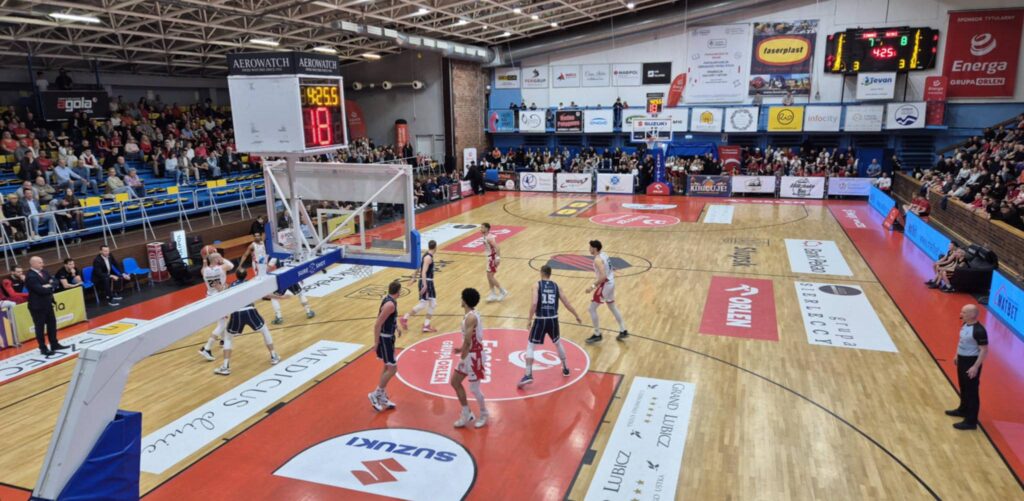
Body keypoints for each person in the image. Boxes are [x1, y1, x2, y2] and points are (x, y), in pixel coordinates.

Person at [518, 265, 582, 388]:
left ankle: (528, 374)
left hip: (540, 320)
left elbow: (534, 303)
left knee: (531, 346)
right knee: (557, 342)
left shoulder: (536, 285)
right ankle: (565, 368)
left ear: (541, 273)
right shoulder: (556, 286)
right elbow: (566, 302)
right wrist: (576, 315)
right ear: (550, 274)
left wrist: (529, 319)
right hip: (553, 319)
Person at [212, 268, 281, 376]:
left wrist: (217, 286)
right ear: (246, 275)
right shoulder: (250, 284)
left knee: (228, 337)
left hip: (236, 313)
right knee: (265, 331)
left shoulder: (231, 285)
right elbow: (266, 295)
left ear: (236, 276)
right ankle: (273, 356)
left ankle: (225, 367)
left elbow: (223, 292)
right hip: (250, 311)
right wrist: (281, 297)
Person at [945, 304, 988, 430]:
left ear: (972, 315)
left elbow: (984, 350)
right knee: (963, 387)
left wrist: (975, 367)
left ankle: (971, 421)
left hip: (971, 362)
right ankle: (963, 409)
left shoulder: (979, 331)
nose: (961, 314)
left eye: (963, 312)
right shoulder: (965, 325)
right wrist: (957, 355)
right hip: (962, 360)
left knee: (972, 392)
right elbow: (962, 341)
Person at [452, 287, 488, 428]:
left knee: (474, 389)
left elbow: (468, 340)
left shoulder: (471, 317)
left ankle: (484, 414)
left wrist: (463, 354)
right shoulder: (470, 315)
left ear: (465, 301)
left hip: (475, 356)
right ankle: (466, 412)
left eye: (462, 297)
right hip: (469, 353)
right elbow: (469, 339)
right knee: (455, 382)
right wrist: (462, 349)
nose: (460, 300)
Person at [369, 280, 404, 412]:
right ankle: (376, 394)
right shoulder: (390, 304)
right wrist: (376, 343)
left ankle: (381, 395)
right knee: (393, 369)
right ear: (398, 291)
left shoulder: (390, 300)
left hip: (389, 338)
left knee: (386, 366)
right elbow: (378, 324)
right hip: (385, 340)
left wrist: (396, 327)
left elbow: (389, 319)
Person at [585, 240, 629, 343]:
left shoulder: (597, 260)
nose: (589, 249)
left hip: (605, 284)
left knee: (591, 309)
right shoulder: (604, 254)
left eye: (590, 247)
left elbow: (603, 276)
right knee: (612, 306)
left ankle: (597, 334)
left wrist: (592, 287)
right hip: (611, 282)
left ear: (595, 249)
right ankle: (623, 330)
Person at [26, 256, 64, 355]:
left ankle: (54, 344)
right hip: (37, 306)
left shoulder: (44, 272)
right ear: (33, 264)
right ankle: (43, 348)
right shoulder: (30, 276)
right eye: (40, 262)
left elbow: (55, 281)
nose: (42, 264)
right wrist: (50, 285)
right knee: (40, 328)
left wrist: (49, 285)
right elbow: (40, 290)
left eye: (42, 262)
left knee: (52, 325)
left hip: (48, 304)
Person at [400, 239, 438, 333]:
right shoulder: (428, 257)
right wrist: (425, 285)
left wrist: (413, 278)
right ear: (435, 247)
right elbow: (423, 272)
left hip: (428, 282)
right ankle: (405, 318)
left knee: (433, 304)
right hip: (426, 282)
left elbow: (419, 267)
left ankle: (426, 325)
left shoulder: (426, 255)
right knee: (423, 304)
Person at [266, 257, 315, 324]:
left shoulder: (274, 256)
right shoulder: (290, 254)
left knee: (274, 298)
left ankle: (279, 317)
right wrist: (300, 277)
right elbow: (296, 266)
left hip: (282, 279)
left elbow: (268, 269)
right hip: (292, 277)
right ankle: (308, 311)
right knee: (300, 293)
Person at [480, 223, 507, 302]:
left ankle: (503, 291)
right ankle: (493, 294)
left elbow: (497, 247)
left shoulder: (489, 238)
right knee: (489, 277)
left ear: (487, 229)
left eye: (482, 227)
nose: (481, 229)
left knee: (490, 277)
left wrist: (497, 258)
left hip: (492, 258)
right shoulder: (485, 236)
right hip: (489, 258)